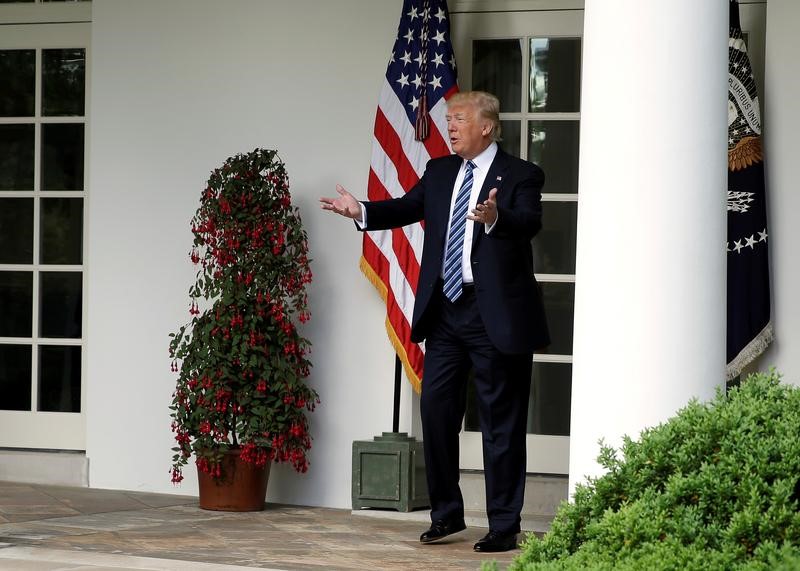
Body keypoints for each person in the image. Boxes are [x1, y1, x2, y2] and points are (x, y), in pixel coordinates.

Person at [320, 91, 549, 553]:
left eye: (459, 119)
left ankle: (504, 525)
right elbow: (405, 208)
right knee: (437, 414)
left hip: (495, 316)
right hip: (446, 314)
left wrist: (495, 216)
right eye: (449, 119)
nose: (450, 126)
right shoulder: (440, 172)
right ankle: (447, 514)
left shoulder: (522, 174)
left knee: (500, 426)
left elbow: (529, 222)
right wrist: (361, 211)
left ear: (486, 126)